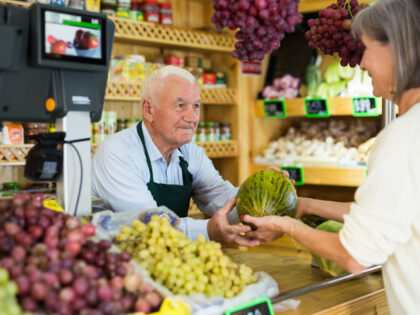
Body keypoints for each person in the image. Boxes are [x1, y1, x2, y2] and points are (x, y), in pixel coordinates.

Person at [242, 0, 420, 313]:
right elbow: (387, 214)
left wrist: (286, 226)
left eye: (366, 48)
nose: (362, 63)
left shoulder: (402, 138)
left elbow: (354, 254)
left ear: (398, 49)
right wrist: (302, 207)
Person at [92, 65, 259, 247]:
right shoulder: (118, 153)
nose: (192, 117)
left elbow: (222, 201)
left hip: (165, 258)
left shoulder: (191, 153)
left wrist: (264, 194)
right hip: (115, 262)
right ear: (148, 110)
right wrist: (209, 230)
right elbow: (151, 225)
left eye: (195, 106)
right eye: (180, 106)